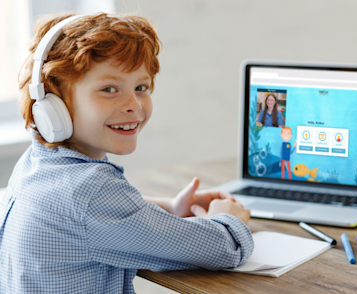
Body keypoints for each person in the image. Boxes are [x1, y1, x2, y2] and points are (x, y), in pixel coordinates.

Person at [0, 13, 254, 293]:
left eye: (141, 87)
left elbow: (86, 213)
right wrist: (229, 219)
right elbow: (221, 249)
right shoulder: (92, 190)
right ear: (53, 103)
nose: (134, 104)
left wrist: (170, 208)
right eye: (109, 89)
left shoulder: (35, 165)